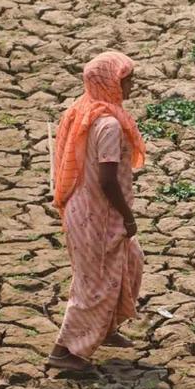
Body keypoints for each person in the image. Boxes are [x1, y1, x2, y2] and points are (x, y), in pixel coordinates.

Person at [47, 51, 146, 371]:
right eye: (126, 79)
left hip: (86, 207)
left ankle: (104, 327)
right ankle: (65, 352)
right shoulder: (108, 124)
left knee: (131, 260)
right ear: (110, 83)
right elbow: (106, 179)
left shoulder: (83, 108)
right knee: (93, 284)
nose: (132, 84)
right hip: (97, 213)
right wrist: (127, 216)